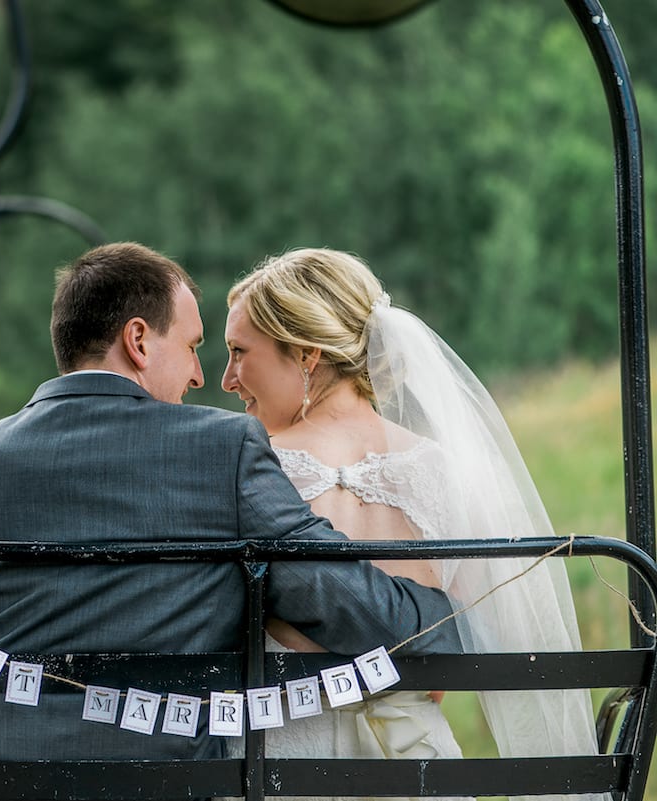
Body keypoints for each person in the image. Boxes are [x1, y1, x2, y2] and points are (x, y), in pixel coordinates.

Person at [0, 242, 460, 770]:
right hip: (157, 778)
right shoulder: (220, 450)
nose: (200, 375)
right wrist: (454, 623)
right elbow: (331, 595)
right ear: (138, 340)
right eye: (193, 347)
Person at [221, 247, 599, 797]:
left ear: (305, 354)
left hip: (280, 760)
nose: (228, 378)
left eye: (238, 352)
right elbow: (457, 648)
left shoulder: (250, 471)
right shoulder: (443, 471)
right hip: (417, 766)